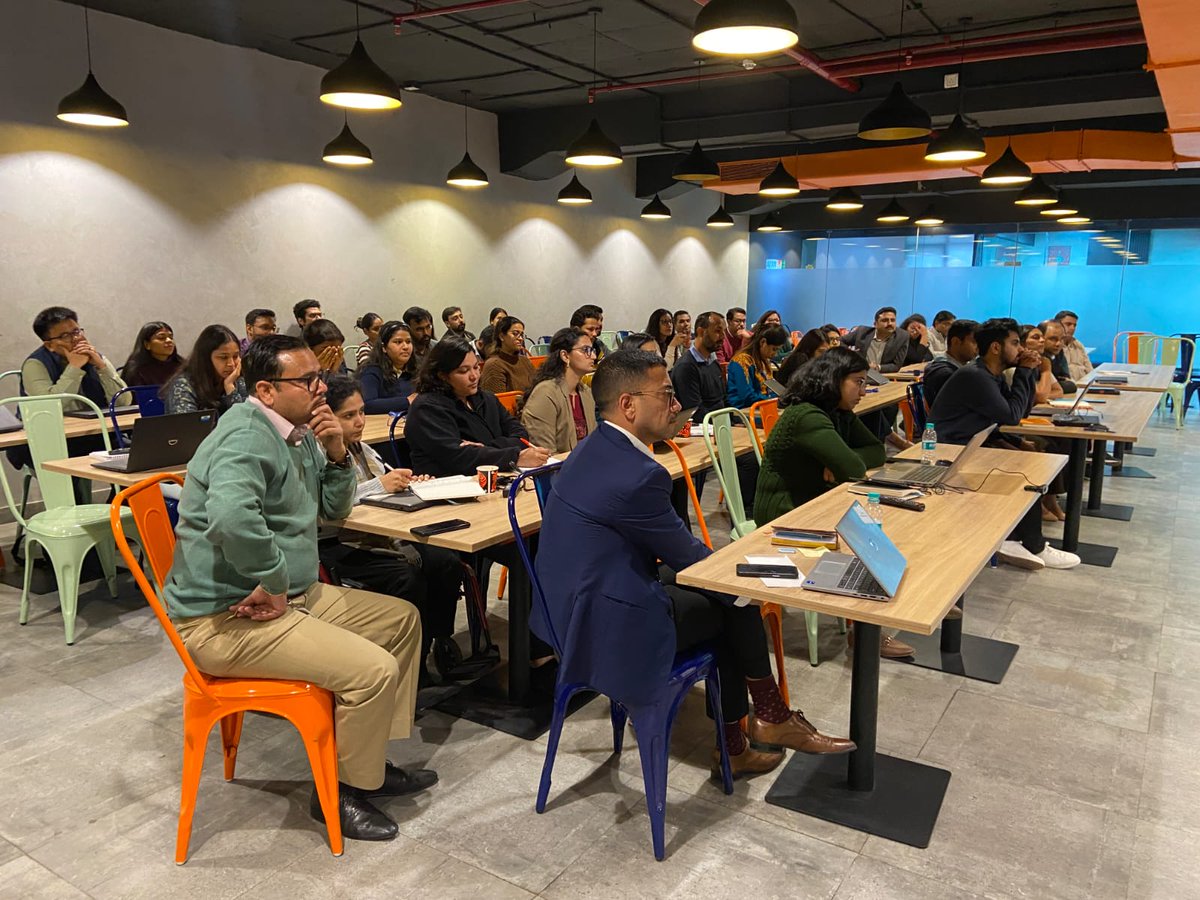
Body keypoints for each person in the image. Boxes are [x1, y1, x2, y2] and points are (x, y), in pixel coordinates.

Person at [535, 349, 855, 778]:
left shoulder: (592, 449)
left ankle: (754, 729)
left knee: (725, 593)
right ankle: (760, 725)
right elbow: (690, 556)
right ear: (628, 405)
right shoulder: (637, 474)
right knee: (732, 602)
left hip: (564, 612)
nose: (675, 405)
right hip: (605, 626)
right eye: (665, 394)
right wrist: (752, 582)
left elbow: (678, 554)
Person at [162, 335, 431, 843]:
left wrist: (335, 454)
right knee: (372, 670)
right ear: (265, 390)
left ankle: (367, 764)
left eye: (320, 377)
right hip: (227, 617)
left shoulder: (301, 431)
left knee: (400, 620)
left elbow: (332, 511)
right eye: (306, 381)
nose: (320, 387)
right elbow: (230, 519)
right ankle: (342, 792)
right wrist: (276, 582)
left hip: (290, 597)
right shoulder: (243, 436)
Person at [753, 348, 914, 659]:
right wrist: (845, 462)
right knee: (865, 538)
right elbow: (854, 469)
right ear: (833, 380)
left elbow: (875, 451)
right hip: (784, 515)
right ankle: (867, 631)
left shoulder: (837, 413)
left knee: (876, 527)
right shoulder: (807, 416)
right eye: (858, 382)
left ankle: (874, 621)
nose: (864, 391)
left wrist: (844, 461)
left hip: (812, 503)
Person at [319, 375, 465, 685]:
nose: (360, 421)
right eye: (349, 415)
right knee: (408, 578)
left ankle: (439, 640)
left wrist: (407, 481)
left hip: (381, 532)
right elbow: (327, 508)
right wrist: (379, 485)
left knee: (446, 562)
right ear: (327, 417)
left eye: (361, 412)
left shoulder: (361, 448)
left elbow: (385, 478)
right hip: (337, 543)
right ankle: (413, 669)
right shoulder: (319, 454)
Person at [928, 318, 1081, 570]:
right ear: (996, 348)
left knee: (1030, 458)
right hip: (950, 451)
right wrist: (1024, 372)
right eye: (1015, 343)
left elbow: (1018, 407)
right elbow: (1012, 415)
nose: (1021, 349)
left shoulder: (991, 374)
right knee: (1024, 468)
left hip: (974, 443)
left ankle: (1018, 539)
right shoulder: (975, 376)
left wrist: (1018, 440)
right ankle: (1027, 543)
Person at [405, 336, 551, 477]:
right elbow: (459, 458)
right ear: (442, 375)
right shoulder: (426, 408)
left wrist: (484, 448)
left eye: (476, 367)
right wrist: (513, 456)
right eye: (463, 371)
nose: (474, 376)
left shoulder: (486, 398)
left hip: (495, 478)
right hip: (447, 487)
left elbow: (521, 435)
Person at [671, 311, 758, 521]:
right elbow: (695, 410)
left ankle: (749, 511)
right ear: (701, 332)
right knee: (748, 460)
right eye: (717, 331)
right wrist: (726, 423)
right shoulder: (685, 367)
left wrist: (737, 421)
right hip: (701, 431)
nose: (722, 336)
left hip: (720, 424)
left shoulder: (712, 362)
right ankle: (742, 514)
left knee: (756, 447)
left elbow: (724, 399)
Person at [18, 306, 125, 411]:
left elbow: (124, 402)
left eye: (76, 331)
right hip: (53, 427)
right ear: (49, 345)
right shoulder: (35, 364)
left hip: (98, 423)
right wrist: (74, 367)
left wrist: (102, 368)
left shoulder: (95, 357)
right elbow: (48, 407)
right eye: (65, 336)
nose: (76, 339)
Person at [520, 327, 597, 453]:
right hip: (556, 468)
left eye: (592, 350)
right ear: (565, 356)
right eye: (585, 350)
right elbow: (546, 452)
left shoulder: (586, 392)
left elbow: (593, 444)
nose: (593, 356)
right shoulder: (545, 393)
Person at [163, 324, 246, 415]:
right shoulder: (183, 385)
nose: (231, 364)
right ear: (206, 358)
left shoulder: (236, 380)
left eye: (235, 356)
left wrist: (230, 389)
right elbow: (186, 426)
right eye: (223, 357)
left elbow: (245, 421)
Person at [357, 320, 418, 415]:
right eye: (398, 342)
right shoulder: (371, 371)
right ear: (384, 347)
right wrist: (407, 401)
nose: (405, 347)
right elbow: (367, 404)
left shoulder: (417, 370)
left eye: (408, 342)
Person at [726, 323, 789, 408]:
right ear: (763, 342)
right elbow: (747, 396)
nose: (775, 354)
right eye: (774, 349)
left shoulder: (764, 361)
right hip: (743, 411)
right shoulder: (741, 361)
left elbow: (772, 390)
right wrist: (774, 401)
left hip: (762, 406)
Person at [921, 319, 978, 409]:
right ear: (955, 342)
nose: (978, 348)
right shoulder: (945, 374)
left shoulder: (957, 368)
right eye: (974, 342)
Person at [479, 316, 534, 395]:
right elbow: (497, 403)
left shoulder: (525, 361)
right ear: (501, 336)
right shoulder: (494, 365)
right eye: (515, 334)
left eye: (521, 334)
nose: (521, 338)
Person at [844, 306, 909, 373]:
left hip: (883, 375)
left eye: (893, 320)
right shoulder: (861, 332)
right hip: (858, 372)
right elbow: (839, 341)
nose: (890, 323)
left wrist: (877, 367)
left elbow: (896, 366)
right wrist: (849, 354)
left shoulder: (902, 337)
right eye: (885, 320)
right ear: (875, 324)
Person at [121, 321, 184, 387]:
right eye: (161, 338)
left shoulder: (181, 365)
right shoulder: (136, 370)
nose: (169, 340)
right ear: (147, 344)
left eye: (171, 337)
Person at [1017, 324, 1063, 405]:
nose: (1042, 340)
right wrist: (1046, 370)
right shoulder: (1015, 367)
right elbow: (1040, 397)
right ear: (1021, 343)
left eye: (1042, 337)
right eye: (1036, 337)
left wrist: (1044, 395)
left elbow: (1059, 391)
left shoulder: (1039, 362)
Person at [1039, 318, 1076, 395]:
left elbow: (1066, 381)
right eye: (1053, 339)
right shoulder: (1035, 358)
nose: (1058, 344)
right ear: (1041, 338)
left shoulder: (1059, 353)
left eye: (1062, 339)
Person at [1056, 309, 1093, 382]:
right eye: (1068, 324)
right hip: (1067, 387)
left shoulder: (1078, 344)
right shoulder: (1054, 346)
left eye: (1074, 325)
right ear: (1056, 325)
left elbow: (1090, 370)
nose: (1072, 328)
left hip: (1084, 386)